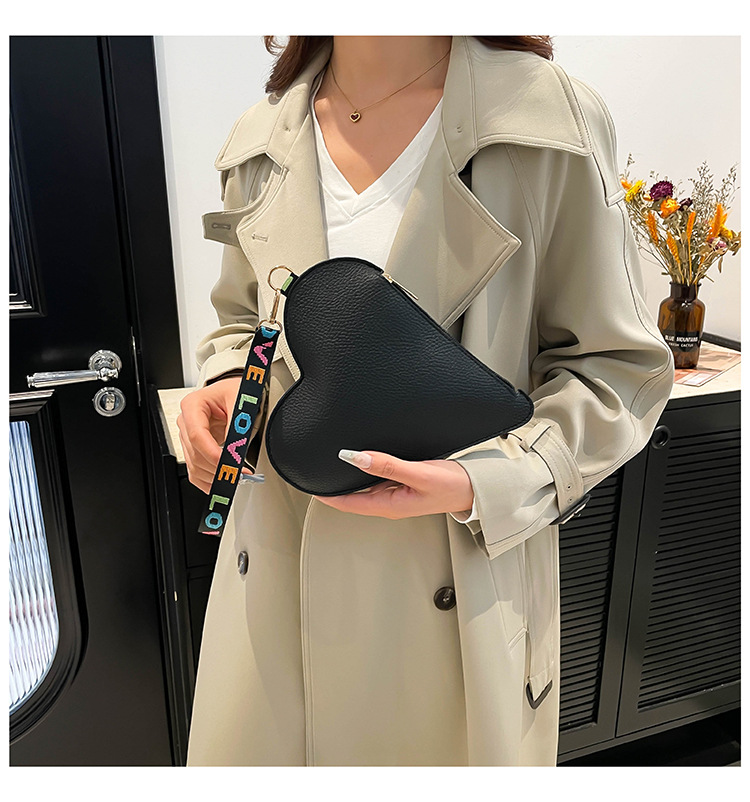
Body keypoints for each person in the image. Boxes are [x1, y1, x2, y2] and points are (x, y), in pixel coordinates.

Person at [178, 36, 675, 766]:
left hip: (459, 582)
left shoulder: (545, 118)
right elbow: (241, 319)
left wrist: (485, 480)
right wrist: (227, 387)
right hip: (272, 578)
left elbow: (618, 369)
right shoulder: (261, 138)